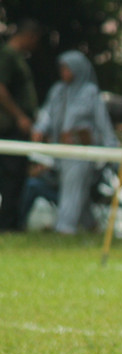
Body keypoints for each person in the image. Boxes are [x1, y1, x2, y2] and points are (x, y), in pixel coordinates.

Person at [31, 50, 118, 235]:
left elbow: (103, 123)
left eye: (67, 69)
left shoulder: (90, 93)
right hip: (60, 148)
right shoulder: (58, 90)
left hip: (81, 150)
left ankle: (65, 228)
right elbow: (47, 112)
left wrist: (111, 148)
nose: (64, 73)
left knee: (73, 186)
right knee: (77, 189)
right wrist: (40, 128)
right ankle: (91, 225)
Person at [0, 19, 42, 231]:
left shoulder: (14, 56)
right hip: (10, 127)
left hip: (16, 127)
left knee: (16, 177)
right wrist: (20, 117)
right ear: (30, 36)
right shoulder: (8, 55)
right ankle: (7, 225)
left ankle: (12, 223)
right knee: (10, 177)